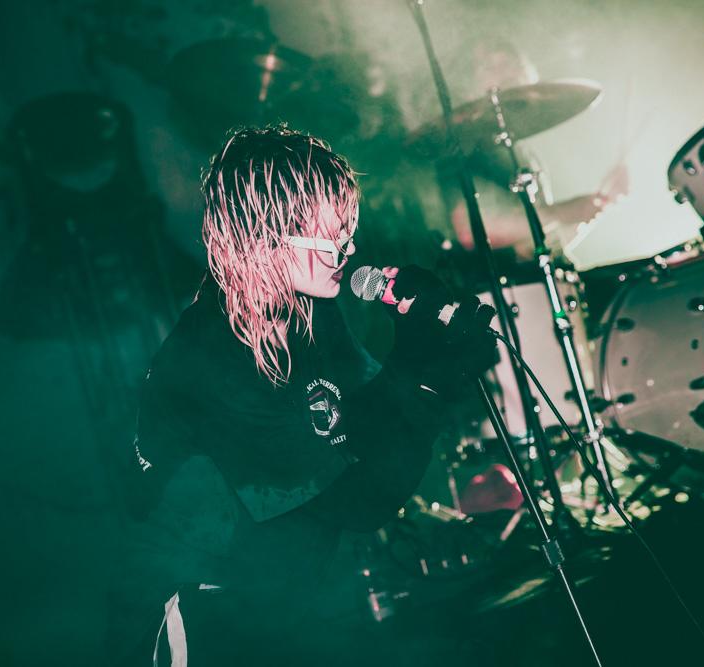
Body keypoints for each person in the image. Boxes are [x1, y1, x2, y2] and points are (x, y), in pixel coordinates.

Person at [108, 125, 497, 665]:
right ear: (264, 239)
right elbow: (355, 502)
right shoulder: (215, 362)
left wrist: (427, 345)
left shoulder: (311, 309)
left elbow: (364, 427)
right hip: (202, 613)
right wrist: (423, 377)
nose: (348, 253)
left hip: (284, 593)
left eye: (348, 236)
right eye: (332, 241)